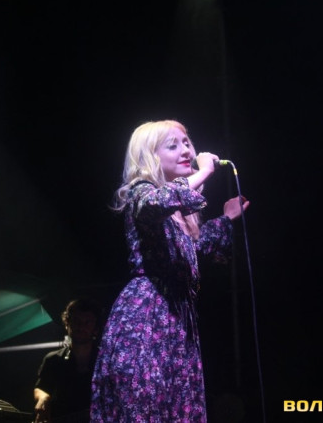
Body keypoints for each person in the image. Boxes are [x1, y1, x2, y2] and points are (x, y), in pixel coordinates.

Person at [90, 120, 249, 422]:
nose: (186, 150)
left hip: (177, 320)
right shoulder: (141, 191)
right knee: (145, 402)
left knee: (177, 406)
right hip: (146, 316)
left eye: (187, 142)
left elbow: (197, 250)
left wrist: (227, 218)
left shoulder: (180, 214)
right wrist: (204, 172)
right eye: (173, 145)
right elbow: (155, 202)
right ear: (150, 156)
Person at [34, 298, 102, 423]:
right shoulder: (52, 359)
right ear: (67, 323)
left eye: (87, 322)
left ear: (96, 328)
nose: (81, 326)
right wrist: (43, 398)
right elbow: (41, 388)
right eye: (76, 320)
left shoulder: (107, 361)